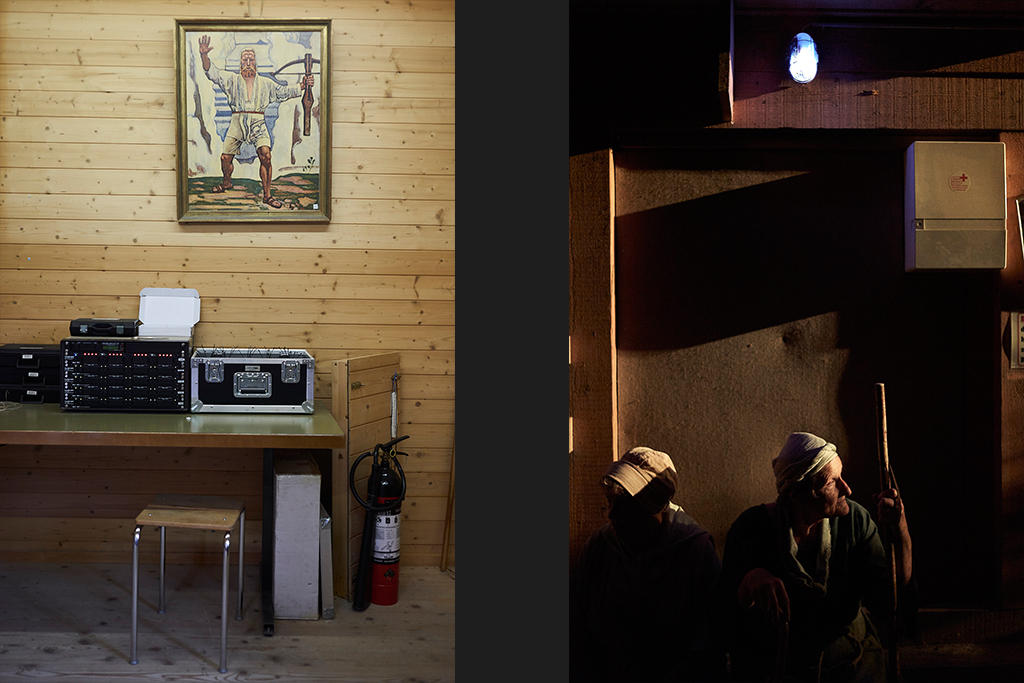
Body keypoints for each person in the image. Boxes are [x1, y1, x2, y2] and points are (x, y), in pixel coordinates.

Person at [720, 432, 914, 683]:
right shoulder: (751, 528)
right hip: (783, 669)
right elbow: (722, 617)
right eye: (832, 482)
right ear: (799, 493)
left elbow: (890, 598)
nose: (847, 488)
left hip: (852, 667)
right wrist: (748, 583)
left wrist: (900, 530)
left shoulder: (855, 521)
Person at [571, 446, 724, 682]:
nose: (612, 515)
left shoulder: (694, 550)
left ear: (656, 506)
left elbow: (709, 642)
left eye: (627, 506)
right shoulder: (601, 546)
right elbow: (579, 625)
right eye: (611, 502)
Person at [198, 35, 314, 208]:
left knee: (266, 156)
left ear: (255, 63)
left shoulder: (266, 83)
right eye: (244, 59)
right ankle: (227, 182)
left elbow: (284, 92)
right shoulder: (231, 79)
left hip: (258, 122)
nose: (248, 62)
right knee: (225, 158)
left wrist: (302, 85)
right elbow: (212, 73)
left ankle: (267, 196)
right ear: (240, 63)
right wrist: (204, 56)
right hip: (237, 120)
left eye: (251, 59)